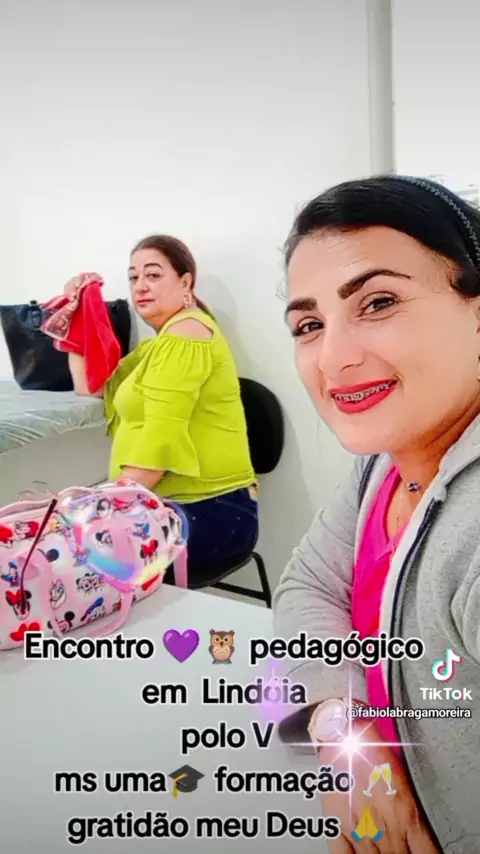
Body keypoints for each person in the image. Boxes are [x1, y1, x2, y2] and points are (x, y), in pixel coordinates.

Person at [273, 175, 480, 854]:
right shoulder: (383, 466)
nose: (334, 358)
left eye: (379, 301)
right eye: (309, 325)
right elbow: (308, 586)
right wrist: (346, 733)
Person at [67, 234, 257, 583]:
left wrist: (95, 511)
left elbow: (160, 440)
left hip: (207, 512)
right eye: (133, 277)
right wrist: (76, 311)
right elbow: (93, 388)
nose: (140, 286)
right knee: (61, 551)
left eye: (153, 275)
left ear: (185, 282)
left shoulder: (186, 335)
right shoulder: (160, 345)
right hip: (168, 506)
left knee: (70, 560)